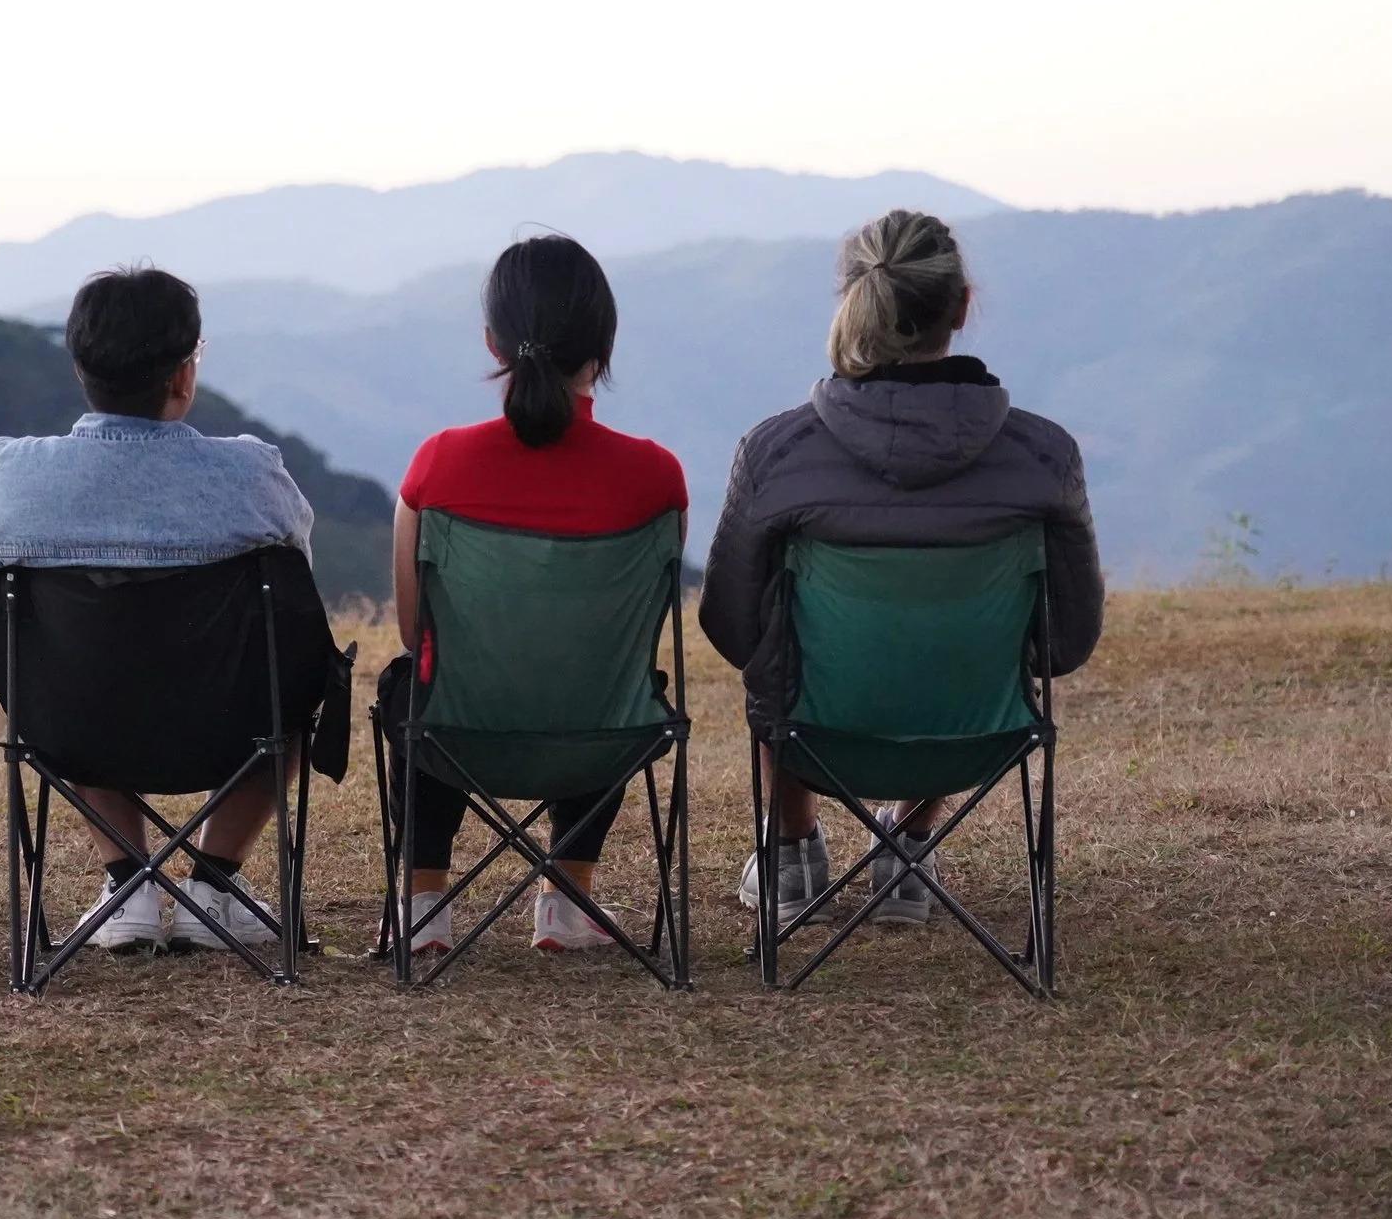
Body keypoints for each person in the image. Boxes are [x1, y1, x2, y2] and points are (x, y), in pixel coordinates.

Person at [699, 209, 1103, 926]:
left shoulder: (778, 455)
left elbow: (732, 624)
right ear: (962, 306)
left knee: (776, 647)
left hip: (816, 734)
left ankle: (792, 857)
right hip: (976, 738)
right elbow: (1065, 644)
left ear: (856, 302)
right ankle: (912, 845)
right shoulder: (1043, 459)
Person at [0, 264, 316, 954]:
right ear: (183, 376)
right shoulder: (252, 475)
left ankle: (128, 883)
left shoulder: (11, 477)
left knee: (64, 663)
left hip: (78, 724)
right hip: (232, 723)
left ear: (81, 371)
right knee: (297, 682)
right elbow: (296, 574)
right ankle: (213, 881)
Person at [388, 235, 689, 955]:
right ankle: (567, 894)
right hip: (596, 739)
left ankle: (424, 901)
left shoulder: (438, 464)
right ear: (604, 348)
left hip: (459, 736)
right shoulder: (656, 478)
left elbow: (411, 629)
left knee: (413, 680)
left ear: (492, 340)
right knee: (614, 678)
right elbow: (633, 635)